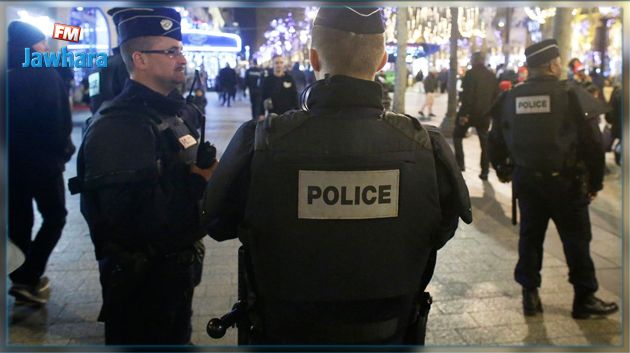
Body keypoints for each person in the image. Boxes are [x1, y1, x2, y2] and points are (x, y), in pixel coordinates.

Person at [201, 7, 471, 344]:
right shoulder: (425, 146)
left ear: (314, 58)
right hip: (389, 335)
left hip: (282, 335)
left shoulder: (259, 141)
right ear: (382, 60)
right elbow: (439, 230)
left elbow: (218, 224)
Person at [70, 8, 217, 344]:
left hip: (176, 278)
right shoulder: (120, 126)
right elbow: (132, 223)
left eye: (180, 50)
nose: (181, 59)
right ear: (139, 59)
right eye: (170, 51)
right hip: (142, 288)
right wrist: (198, 180)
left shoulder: (176, 112)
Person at [488, 39, 618, 320]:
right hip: (566, 183)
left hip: (527, 181)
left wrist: (503, 169)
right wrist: (595, 183)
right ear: (552, 64)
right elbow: (594, 143)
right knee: (576, 240)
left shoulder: (510, 97)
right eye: (559, 62)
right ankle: (584, 298)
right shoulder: (570, 94)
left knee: (530, 237)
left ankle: (530, 296)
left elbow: (494, 139)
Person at [8, 21, 75, 306]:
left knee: (18, 223)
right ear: (31, 47)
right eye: (42, 43)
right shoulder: (45, 75)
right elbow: (58, 122)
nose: (46, 47)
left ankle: (21, 277)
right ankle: (29, 276)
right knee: (55, 217)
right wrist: (64, 151)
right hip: (44, 164)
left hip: (11, 166)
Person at [453, 52, 498, 180]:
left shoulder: (470, 74)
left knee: (457, 136)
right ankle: (484, 171)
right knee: (484, 143)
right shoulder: (491, 75)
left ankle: (459, 164)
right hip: (484, 115)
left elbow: (468, 95)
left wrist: (464, 114)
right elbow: (495, 96)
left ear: (474, 60)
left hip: (469, 114)